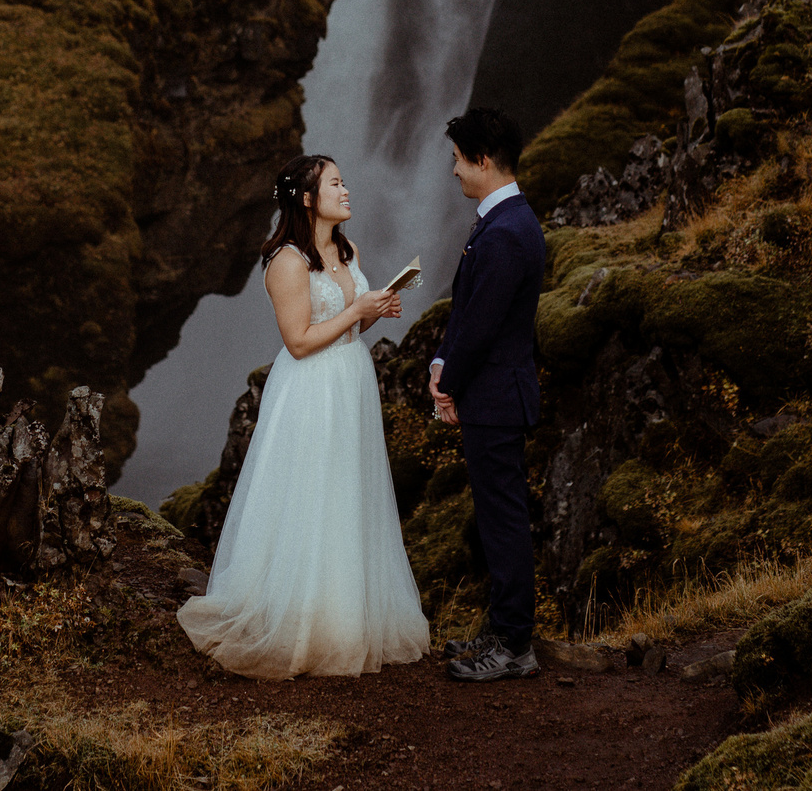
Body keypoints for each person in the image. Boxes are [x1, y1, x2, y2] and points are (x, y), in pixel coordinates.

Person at [178, 154, 430, 677]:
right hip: (312, 388)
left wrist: (375, 308)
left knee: (347, 492)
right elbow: (297, 342)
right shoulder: (286, 262)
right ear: (309, 199)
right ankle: (299, 620)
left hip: (351, 382)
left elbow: (348, 322)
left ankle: (345, 619)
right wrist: (356, 313)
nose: (346, 190)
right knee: (311, 495)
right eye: (336, 183)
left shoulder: (348, 249)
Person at [429, 106, 546, 682]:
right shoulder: (504, 221)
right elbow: (471, 315)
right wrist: (440, 361)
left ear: (480, 160)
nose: (452, 171)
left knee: (502, 519)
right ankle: (502, 631)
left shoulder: (505, 232)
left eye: (456, 159)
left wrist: (446, 384)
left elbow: (480, 325)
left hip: (495, 397)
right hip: (495, 392)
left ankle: (515, 646)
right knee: (496, 517)